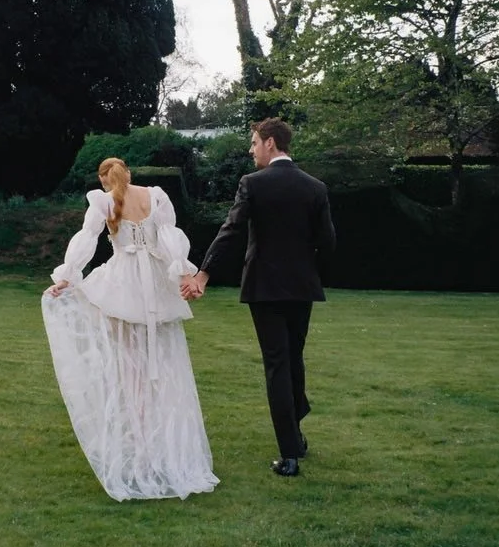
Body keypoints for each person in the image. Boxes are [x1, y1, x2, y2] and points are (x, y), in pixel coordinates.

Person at [41, 157, 219, 501]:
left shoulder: (104, 201)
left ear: (104, 179)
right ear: (129, 173)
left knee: (129, 370)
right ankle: (158, 444)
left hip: (122, 287)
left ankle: (140, 443)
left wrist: (67, 276)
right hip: (156, 286)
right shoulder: (156, 196)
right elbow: (170, 244)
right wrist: (185, 276)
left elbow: (87, 238)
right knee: (163, 366)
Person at [182, 118, 335, 478]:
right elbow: (328, 242)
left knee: (278, 364)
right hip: (301, 288)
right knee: (293, 359)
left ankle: (289, 455)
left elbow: (231, 230)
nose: (251, 150)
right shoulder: (316, 187)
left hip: (264, 288)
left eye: (253, 143)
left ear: (270, 143)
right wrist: (308, 272)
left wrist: (204, 273)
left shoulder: (252, 183)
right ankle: (296, 434)